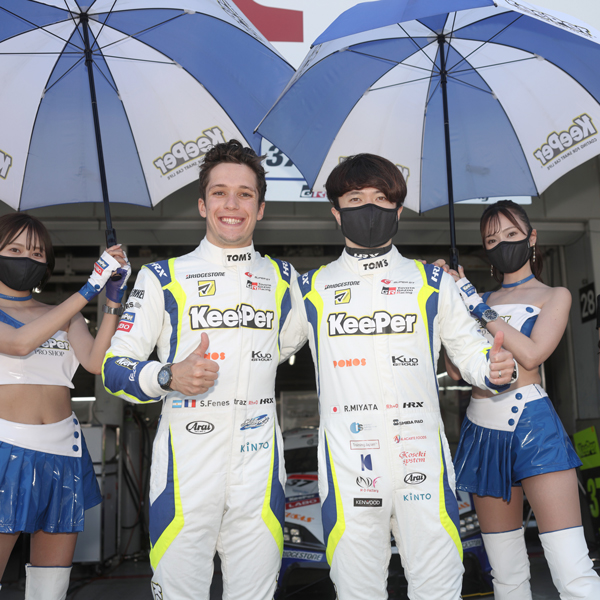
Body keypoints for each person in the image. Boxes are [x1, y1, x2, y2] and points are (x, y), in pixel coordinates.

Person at [292, 153, 516, 600]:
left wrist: (491, 369)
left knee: (439, 587)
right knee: (357, 591)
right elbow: (263, 352)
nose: (369, 208)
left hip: (422, 461)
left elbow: (470, 351)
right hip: (349, 468)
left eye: (381, 198)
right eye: (356, 199)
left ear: (398, 209)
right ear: (336, 212)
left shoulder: (432, 282)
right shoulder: (310, 288)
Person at [102, 140, 306, 600]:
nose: (232, 204)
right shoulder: (162, 277)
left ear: (260, 208)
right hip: (185, 472)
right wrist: (167, 375)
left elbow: (323, 330)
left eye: (245, 194)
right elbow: (114, 369)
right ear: (202, 204)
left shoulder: (286, 279)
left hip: (259, 472)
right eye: (219, 193)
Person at [446, 199, 600, 599]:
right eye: (492, 240)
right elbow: (456, 372)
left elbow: (532, 354)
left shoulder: (555, 295)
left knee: (572, 569)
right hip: (481, 429)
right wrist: (452, 307)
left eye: (512, 234)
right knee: (506, 575)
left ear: (531, 238)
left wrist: (477, 307)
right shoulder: (475, 299)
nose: (502, 244)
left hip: (533, 425)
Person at [0, 212, 129, 599]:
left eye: (37, 253)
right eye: (15, 250)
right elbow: (20, 343)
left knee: (51, 586)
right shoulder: (66, 310)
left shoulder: (63, 315)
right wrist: (89, 287)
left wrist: (112, 300)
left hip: (63, 451)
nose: (27, 258)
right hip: (5, 449)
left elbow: (95, 362)